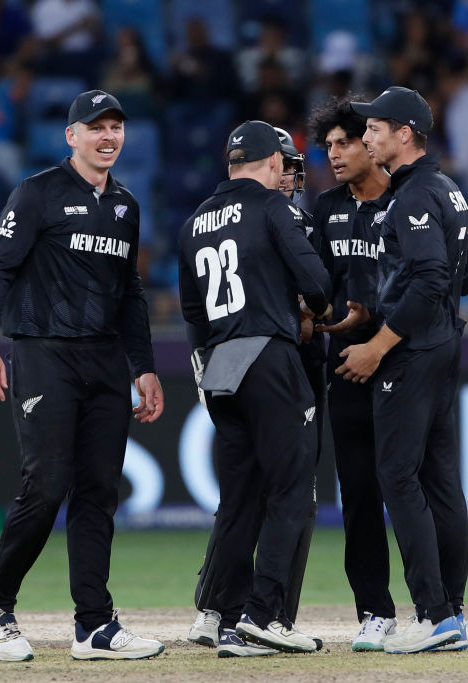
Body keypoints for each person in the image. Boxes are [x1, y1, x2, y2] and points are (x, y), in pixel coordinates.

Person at [0, 90, 165, 663]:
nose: (109, 137)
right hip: (43, 355)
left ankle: (94, 625)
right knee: (47, 484)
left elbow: (129, 292)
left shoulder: (127, 205)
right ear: (71, 136)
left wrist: (144, 367)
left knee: (99, 493)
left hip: (105, 363)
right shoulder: (35, 193)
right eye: (96, 127)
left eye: (116, 128)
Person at [178, 120, 331, 655]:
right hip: (269, 354)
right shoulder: (273, 208)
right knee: (292, 489)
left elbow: (193, 313)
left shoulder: (194, 221)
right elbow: (317, 283)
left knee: (239, 495)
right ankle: (264, 615)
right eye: (284, 165)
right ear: (271, 162)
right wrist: (313, 309)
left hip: (219, 364)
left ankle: (215, 612)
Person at [341, 86, 468, 653]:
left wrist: (379, 344)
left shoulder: (414, 195)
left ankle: (434, 615)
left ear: (406, 134)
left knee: (398, 476)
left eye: (376, 127)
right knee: (441, 482)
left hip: (412, 353)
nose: (366, 134)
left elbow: (432, 280)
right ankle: (453, 611)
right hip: (443, 344)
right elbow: (460, 281)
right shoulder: (447, 189)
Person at [306, 94, 398, 651]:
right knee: (359, 492)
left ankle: (440, 607)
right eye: (328, 147)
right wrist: (319, 318)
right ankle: (375, 611)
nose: (334, 155)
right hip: (345, 368)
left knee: (414, 488)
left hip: (403, 362)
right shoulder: (324, 208)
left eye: (344, 143)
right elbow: (313, 285)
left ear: (371, 141)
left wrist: (376, 322)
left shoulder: (408, 200)